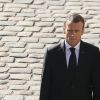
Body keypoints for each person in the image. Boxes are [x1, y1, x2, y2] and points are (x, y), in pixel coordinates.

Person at [39, 13, 100, 100]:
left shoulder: (93, 52)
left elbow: (97, 85)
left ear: (83, 31)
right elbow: (45, 85)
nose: (73, 34)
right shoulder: (51, 53)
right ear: (64, 30)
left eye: (76, 31)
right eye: (70, 30)